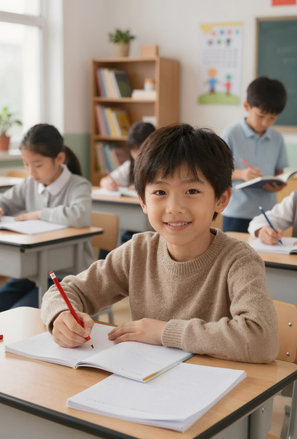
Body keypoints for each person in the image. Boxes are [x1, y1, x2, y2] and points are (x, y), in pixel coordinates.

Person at [41, 124, 278, 364]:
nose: (174, 207)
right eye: (160, 192)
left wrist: (164, 332)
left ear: (221, 199)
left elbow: (262, 340)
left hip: (217, 392)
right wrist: (61, 316)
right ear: (143, 201)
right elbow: (66, 291)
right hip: (147, 384)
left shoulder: (239, 260)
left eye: (192, 190)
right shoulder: (138, 252)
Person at [0, 123, 93, 311]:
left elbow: (80, 215)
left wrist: (39, 214)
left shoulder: (78, 185)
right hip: (33, 272)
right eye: (26, 164)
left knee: (19, 313)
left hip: (67, 277)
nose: (31, 172)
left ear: (59, 158)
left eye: (38, 165)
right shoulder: (30, 184)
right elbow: (6, 201)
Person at [221, 76, 288, 233]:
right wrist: (242, 174)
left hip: (268, 214)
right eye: (260, 116)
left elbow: (279, 173)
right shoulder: (230, 134)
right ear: (247, 106)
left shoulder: (277, 138)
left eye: (272, 118)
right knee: (233, 255)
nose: (265, 123)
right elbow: (217, 171)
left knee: (264, 256)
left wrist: (278, 185)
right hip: (236, 212)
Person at [99, 121, 155, 252]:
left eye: (139, 150)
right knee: (109, 235)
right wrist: (108, 183)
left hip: (148, 223)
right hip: (131, 222)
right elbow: (106, 180)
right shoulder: (130, 166)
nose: (136, 155)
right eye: (133, 151)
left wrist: (140, 188)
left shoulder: (160, 167)